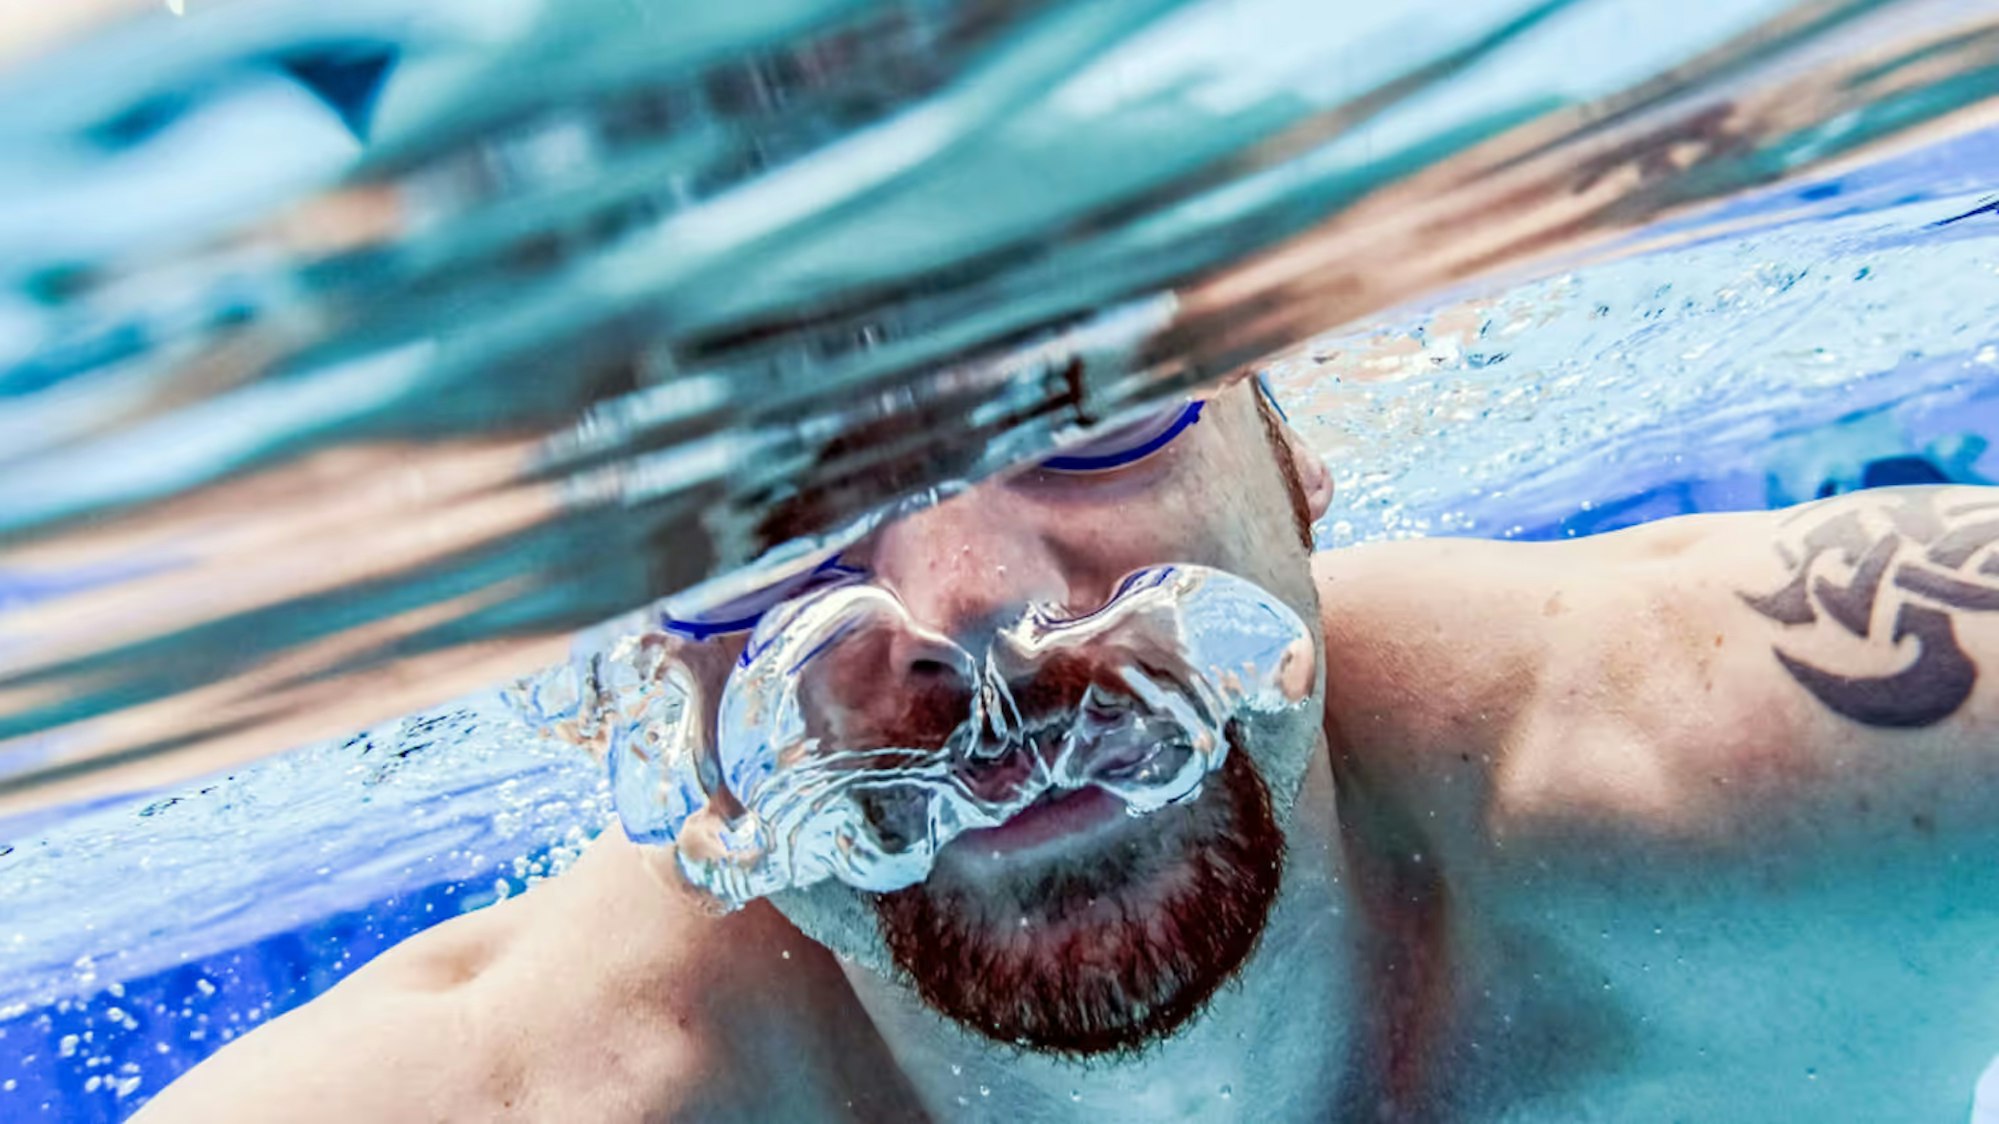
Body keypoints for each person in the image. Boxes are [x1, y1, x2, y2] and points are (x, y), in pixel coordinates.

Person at [136, 375, 1999, 1122]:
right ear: (632, 687)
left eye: (1092, 407)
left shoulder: (1814, 764)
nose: (968, 611)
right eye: (744, 533)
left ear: (1290, 450)